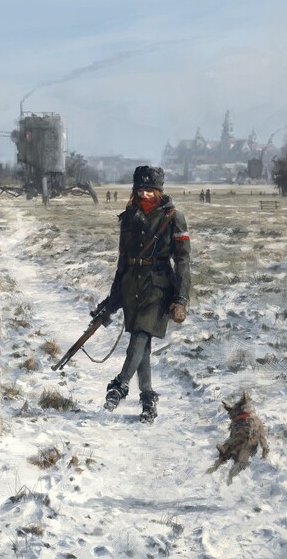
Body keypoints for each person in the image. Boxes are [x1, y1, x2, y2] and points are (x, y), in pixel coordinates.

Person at [95, 166, 191, 422]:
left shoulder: (173, 217)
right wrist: (112, 301)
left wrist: (181, 299)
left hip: (159, 288)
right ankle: (148, 400)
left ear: (159, 191)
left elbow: (183, 261)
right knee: (143, 345)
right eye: (141, 190)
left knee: (140, 335)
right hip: (131, 287)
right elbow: (122, 262)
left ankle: (120, 385)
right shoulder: (128, 217)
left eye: (151, 190)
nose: (146, 195)